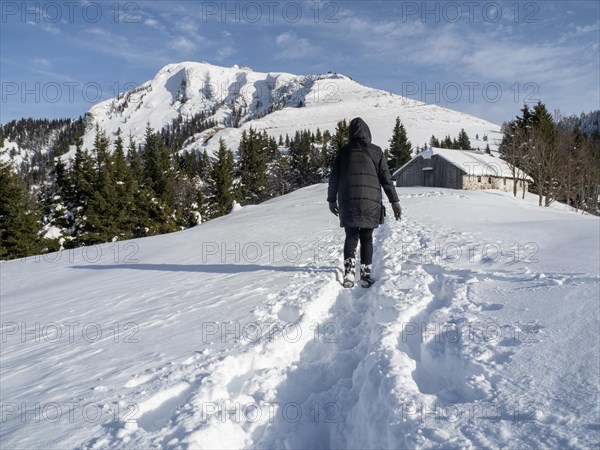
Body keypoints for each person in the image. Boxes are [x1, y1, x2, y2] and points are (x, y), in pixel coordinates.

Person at [327, 117, 402, 288]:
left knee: (351, 236)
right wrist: (394, 202)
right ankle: (366, 275)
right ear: (368, 133)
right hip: (371, 202)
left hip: (348, 202)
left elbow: (333, 179)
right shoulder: (376, 151)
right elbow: (386, 180)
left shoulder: (343, 152)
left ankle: (349, 273)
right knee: (367, 237)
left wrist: (331, 200)